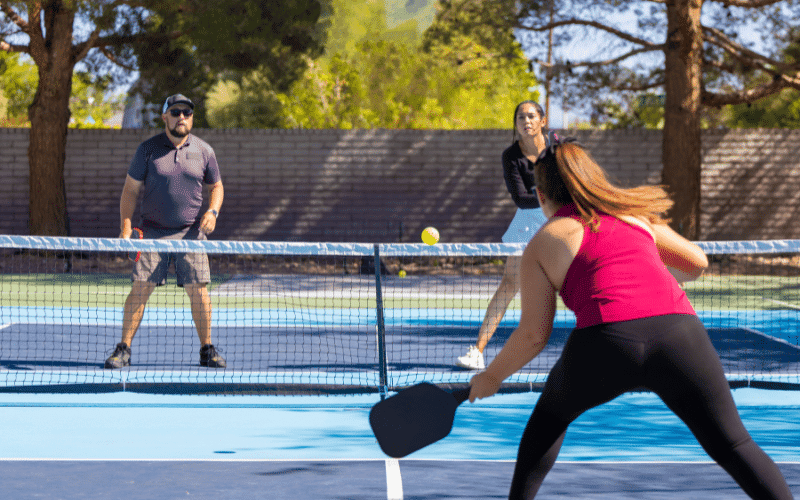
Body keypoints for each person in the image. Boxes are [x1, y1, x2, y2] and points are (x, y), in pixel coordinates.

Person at [468, 141, 793, 499]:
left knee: (547, 424)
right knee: (734, 444)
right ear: (594, 180)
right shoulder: (635, 217)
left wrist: (491, 376)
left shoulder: (543, 242)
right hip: (680, 335)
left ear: (541, 196)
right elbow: (697, 262)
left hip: (605, 344)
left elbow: (533, 335)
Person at [105, 94, 227, 369]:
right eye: (176, 112)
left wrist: (212, 211)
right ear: (165, 116)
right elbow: (130, 190)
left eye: (187, 112)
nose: (182, 116)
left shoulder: (204, 151)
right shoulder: (147, 149)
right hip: (152, 233)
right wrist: (126, 226)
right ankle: (123, 349)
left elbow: (216, 187)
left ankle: (207, 350)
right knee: (140, 289)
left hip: (191, 234)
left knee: (199, 292)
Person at [456, 101, 555, 370]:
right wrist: (552, 198)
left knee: (581, 278)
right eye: (521, 116)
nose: (526, 120)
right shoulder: (511, 156)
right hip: (528, 222)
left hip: (561, 221)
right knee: (510, 284)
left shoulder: (558, 147)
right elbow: (521, 199)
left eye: (531, 116)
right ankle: (477, 351)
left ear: (542, 121)